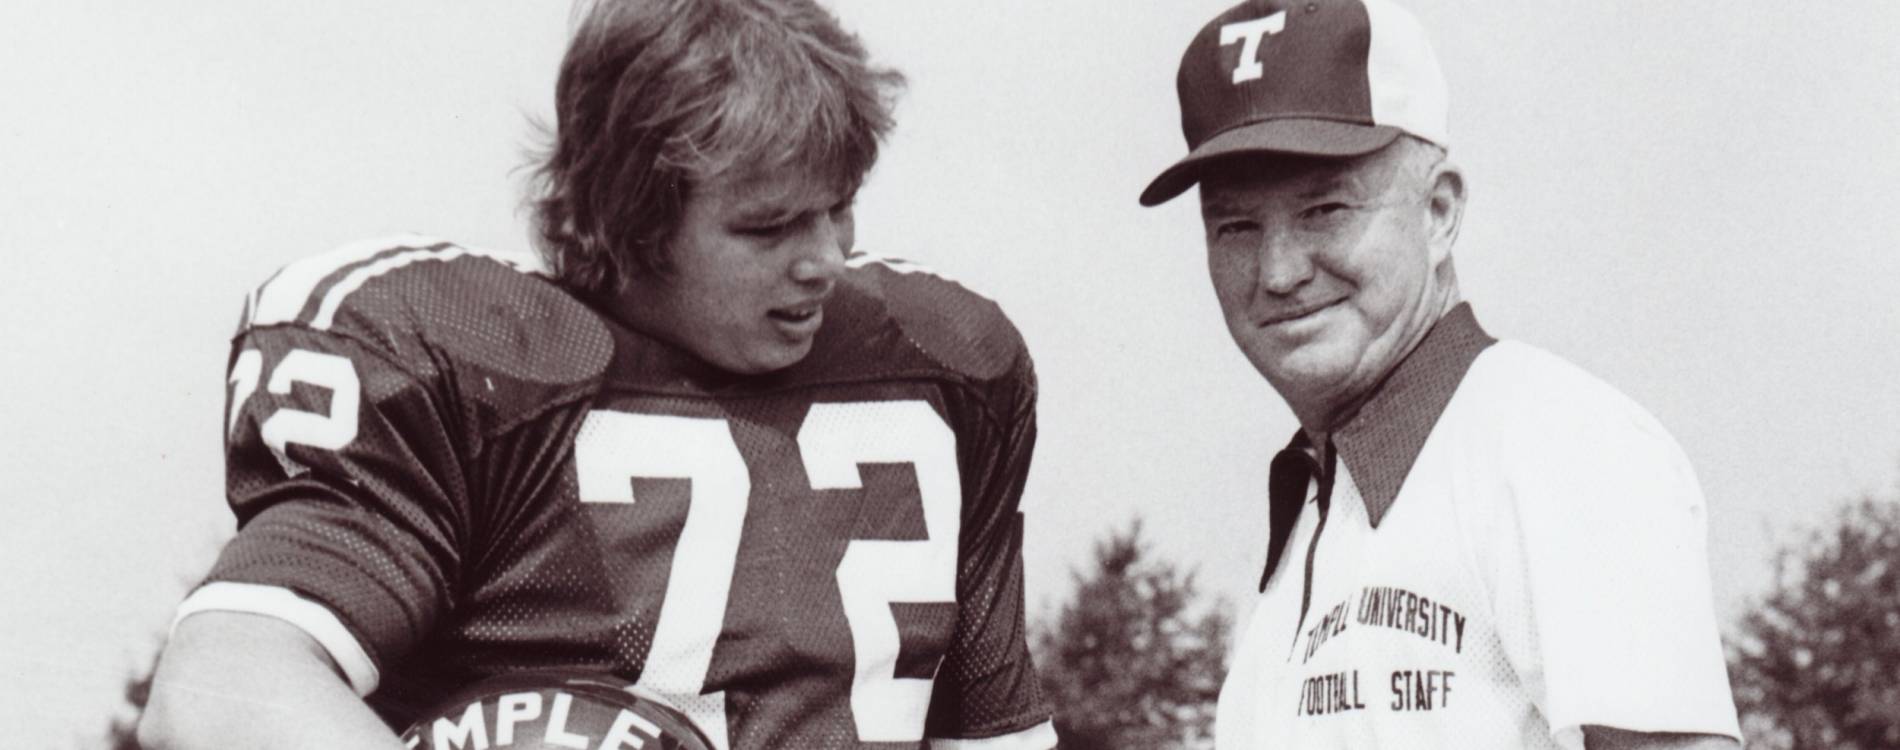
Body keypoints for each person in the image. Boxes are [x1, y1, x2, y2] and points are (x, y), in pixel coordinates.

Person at [138, 1, 1056, 748]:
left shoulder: (942, 366)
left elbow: (995, 738)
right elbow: (223, 686)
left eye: (839, 209)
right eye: (768, 226)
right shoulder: (461, 361)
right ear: (630, 219)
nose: (825, 259)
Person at [1137, 1, 1742, 748]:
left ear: (1440, 212)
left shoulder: (1556, 443)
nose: (1279, 271)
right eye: (1236, 226)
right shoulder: (1314, 514)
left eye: (1324, 210)